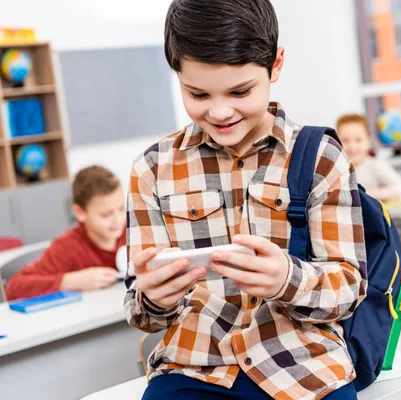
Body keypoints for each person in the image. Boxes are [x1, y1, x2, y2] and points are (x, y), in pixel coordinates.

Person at [124, 1, 366, 399]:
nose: (219, 112)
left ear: (276, 64)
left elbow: (349, 290)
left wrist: (286, 280)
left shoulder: (321, 157)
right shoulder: (151, 169)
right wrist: (152, 298)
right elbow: (142, 311)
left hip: (305, 366)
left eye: (240, 91)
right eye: (197, 93)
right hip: (194, 368)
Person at [6, 165, 125, 300]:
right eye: (106, 214)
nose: (118, 220)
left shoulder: (133, 233)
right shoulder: (68, 247)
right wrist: (72, 281)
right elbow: (15, 287)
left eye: (121, 209)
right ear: (80, 213)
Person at [336, 113, 401, 201]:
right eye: (345, 140)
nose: (352, 146)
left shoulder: (375, 165)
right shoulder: (335, 170)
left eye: (358, 140)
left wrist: (364, 194)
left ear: (368, 141)